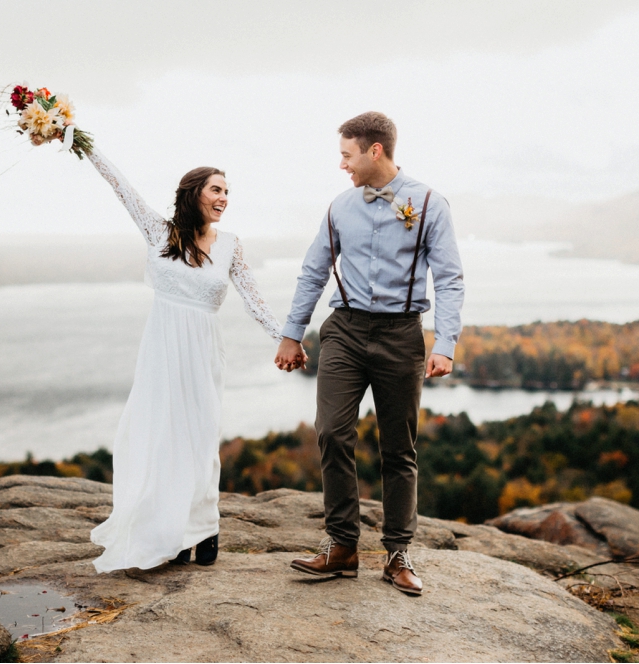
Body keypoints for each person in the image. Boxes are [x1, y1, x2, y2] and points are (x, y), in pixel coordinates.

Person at [276, 112, 464, 596]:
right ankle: (342, 547)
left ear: (374, 151)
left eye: (346, 154)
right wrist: (292, 334)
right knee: (332, 432)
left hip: (402, 335)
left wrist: (445, 344)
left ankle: (398, 552)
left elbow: (448, 277)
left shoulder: (428, 203)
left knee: (398, 448)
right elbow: (313, 270)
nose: (342, 165)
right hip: (344, 330)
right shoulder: (340, 208)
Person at [81, 146, 291, 572]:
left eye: (228, 191)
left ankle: (205, 527)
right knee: (161, 437)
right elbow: (121, 186)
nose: (224, 198)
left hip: (202, 350)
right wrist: (79, 141)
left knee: (200, 439)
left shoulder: (230, 245)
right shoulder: (160, 233)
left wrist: (287, 338)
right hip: (161, 348)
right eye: (217, 189)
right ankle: (171, 531)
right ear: (194, 192)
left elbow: (252, 296)